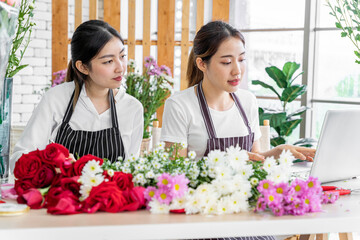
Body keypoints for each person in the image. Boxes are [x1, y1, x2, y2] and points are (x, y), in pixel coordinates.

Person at [161, 20, 315, 163]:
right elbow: (176, 172)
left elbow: (255, 161)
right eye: (226, 62)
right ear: (201, 64)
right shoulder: (179, 105)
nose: (237, 71)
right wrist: (225, 162)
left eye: (241, 60)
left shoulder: (248, 101)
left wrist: (278, 152)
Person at [10, 20, 143, 171]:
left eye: (122, 56)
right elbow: (20, 158)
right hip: (61, 193)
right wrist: (56, 165)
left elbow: (132, 171)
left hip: (109, 194)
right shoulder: (56, 99)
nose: (120, 68)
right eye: (108, 61)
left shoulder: (132, 108)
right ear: (83, 67)